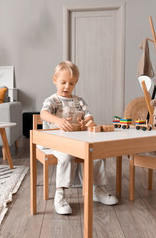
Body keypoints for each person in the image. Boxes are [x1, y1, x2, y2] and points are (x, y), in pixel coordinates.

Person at [40, 61, 118, 215]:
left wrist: (87, 123)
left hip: (78, 141)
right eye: (63, 82)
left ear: (76, 83)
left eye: (71, 83)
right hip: (55, 142)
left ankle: (97, 190)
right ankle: (60, 194)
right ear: (55, 80)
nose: (66, 87)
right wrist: (57, 120)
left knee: (98, 152)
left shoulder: (79, 101)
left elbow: (90, 118)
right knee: (66, 157)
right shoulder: (52, 101)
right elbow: (43, 114)